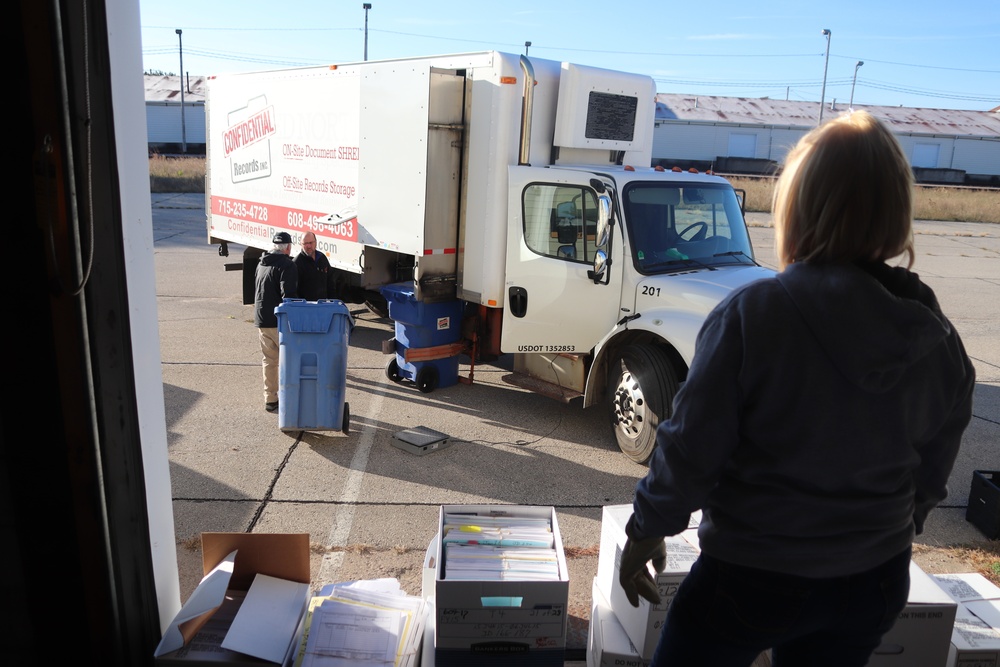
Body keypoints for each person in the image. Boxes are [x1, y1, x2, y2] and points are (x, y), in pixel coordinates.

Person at [619, 110, 975, 667]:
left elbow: (691, 448)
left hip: (750, 576)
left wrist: (647, 527)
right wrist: (891, 532)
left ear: (798, 208)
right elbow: (931, 473)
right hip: (873, 582)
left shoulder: (754, 316)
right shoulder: (939, 338)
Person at [254, 231, 298, 413]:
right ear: (288, 248)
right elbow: (288, 296)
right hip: (279, 320)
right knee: (289, 360)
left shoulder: (261, 263)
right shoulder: (287, 266)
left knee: (269, 360)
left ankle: (270, 399)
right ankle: (291, 397)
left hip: (261, 318)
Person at [293, 231, 332, 300]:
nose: (308, 246)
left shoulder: (322, 257)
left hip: (323, 305)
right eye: (305, 243)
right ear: (301, 244)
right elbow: (294, 291)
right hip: (306, 307)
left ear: (316, 242)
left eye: (311, 243)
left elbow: (330, 282)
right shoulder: (296, 263)